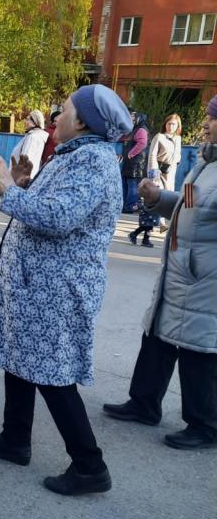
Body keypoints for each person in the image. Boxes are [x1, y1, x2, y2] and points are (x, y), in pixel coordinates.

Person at [0, 83, 133, 496]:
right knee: (20, 356)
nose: (55, 117)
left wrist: (10, 189)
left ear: (83, 122)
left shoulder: (93, 163)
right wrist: (25, 186)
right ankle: (14, 438)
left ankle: (89, 465)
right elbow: (46, 209)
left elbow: (58, 218)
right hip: (38, 285)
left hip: (58, 289)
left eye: (62, 111)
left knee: (54, 373)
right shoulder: (75, 155)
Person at [104, 97, 217, 450]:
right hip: (181, 268)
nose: (206, 124)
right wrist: (157, 197)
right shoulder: (206, 164)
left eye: (212, 120)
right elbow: (190, 204)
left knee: (200, 350)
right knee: (157, 336)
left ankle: (205, 425)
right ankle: (144, 403)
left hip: (205, 277)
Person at [120, 112, 150, 212]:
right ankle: (124, 206)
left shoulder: (141, 129)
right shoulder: (132, 129)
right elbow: (122, 139)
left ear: (139, 119)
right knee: (126, 183)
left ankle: (129, 206)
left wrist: (130, 154)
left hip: (136, 163)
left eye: (133, 119)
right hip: (129, 162)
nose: (131, 121)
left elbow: (142, 143)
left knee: (132, 184)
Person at [147, 113, 182, 192]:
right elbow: (152, 156)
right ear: (165, 124)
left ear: (177, 126)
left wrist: (176, 161)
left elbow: (177, 156)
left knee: (169, 197)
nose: (171, 126)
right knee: (158, 197)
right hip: (158, 173)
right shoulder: (159, 137)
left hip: (171, 173)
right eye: (169, 123)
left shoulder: (178, 139)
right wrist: (154, 175)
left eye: (173, 124)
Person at [10, 110, 49, 178]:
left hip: (21, 178)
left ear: (34, 122)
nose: (25, 122)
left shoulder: (32, 137)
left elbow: (26, 159)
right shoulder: (37, 136)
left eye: (28, 120)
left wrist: (20, 178)